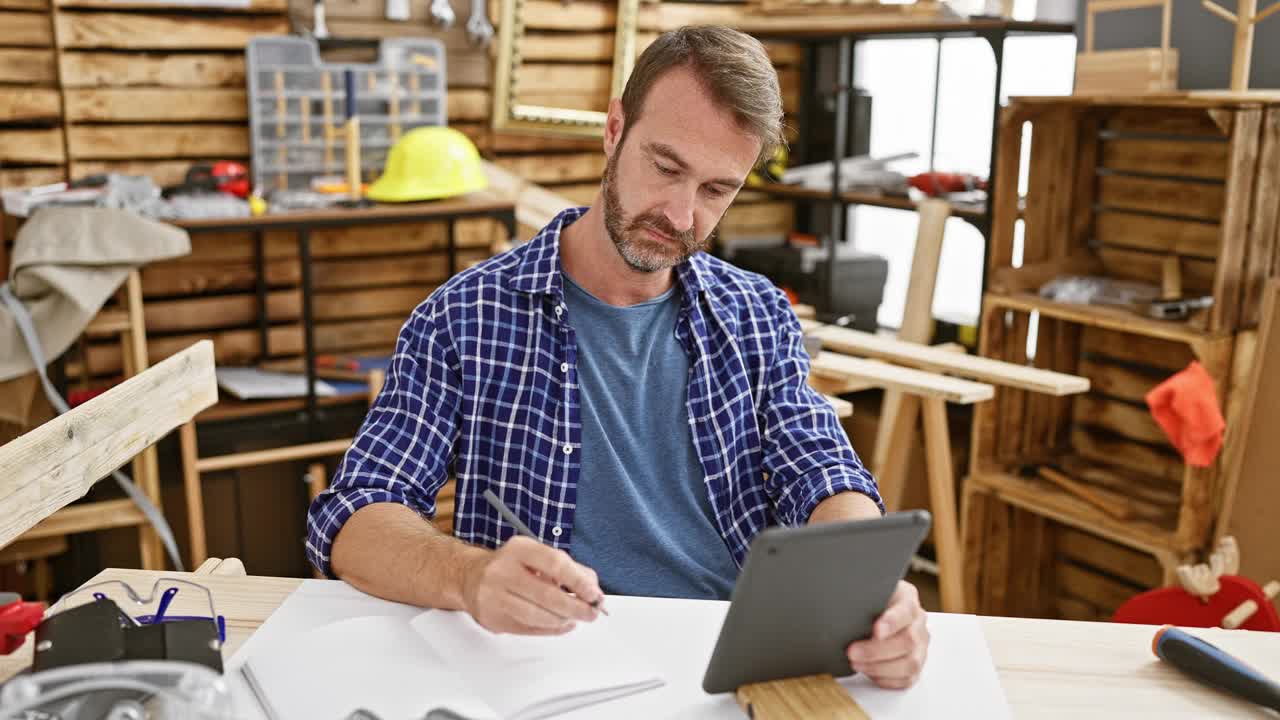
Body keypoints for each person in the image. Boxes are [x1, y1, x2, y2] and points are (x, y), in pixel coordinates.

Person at [306, 25, 930, 689]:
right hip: (546, 667)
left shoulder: (758, 314)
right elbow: (356, 513)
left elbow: (821, 469)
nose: (683, 215)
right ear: (613, 129)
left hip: (726, 662)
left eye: (718, 189)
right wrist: (469, 576)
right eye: (666, 168)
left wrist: (867, 592)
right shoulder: (465, 317)